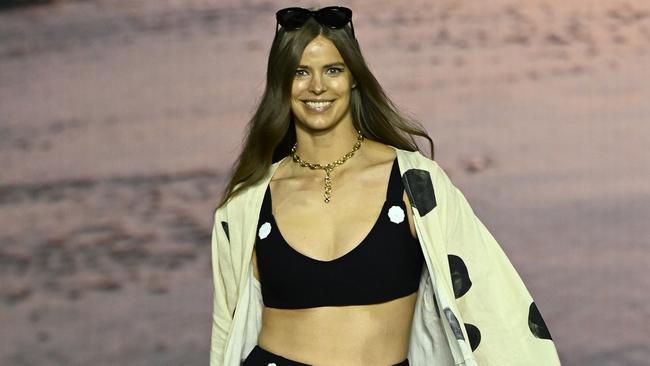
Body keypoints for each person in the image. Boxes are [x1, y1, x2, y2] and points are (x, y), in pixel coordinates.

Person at [210, 6, 561, 366]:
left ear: (354, 77)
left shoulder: (415, 183)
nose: (317, 86)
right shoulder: (248, 203)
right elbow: (226, 330)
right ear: (281, 83)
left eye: (333, 70)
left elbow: (491, 299)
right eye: (300, 72)